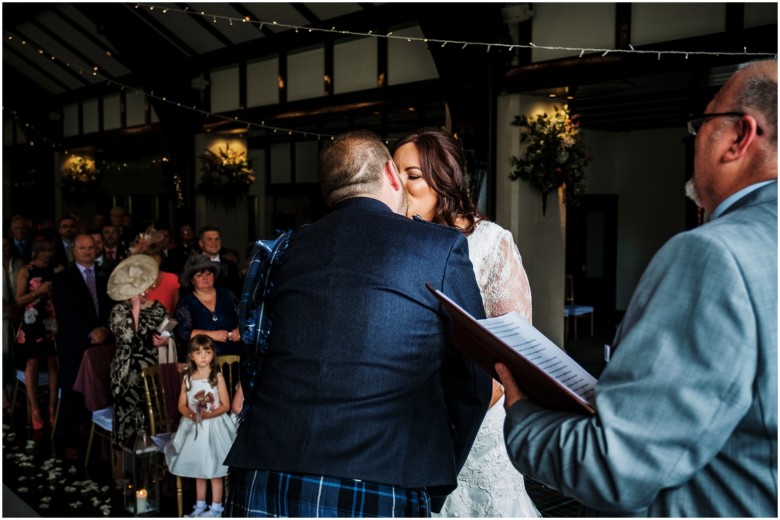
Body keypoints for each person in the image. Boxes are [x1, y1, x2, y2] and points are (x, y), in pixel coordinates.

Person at [496, 59, 777, 517]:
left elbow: (616, 467)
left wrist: (523, 415)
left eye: (703, 122)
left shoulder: (714, 255)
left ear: (739, 137)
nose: (694, 139)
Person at [224, 130, 492, 517]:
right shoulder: (439, 247)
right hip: (384, 473)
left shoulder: (281, 249)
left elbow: (254, 359)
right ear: (390, 173)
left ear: (330, 191)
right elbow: (472, 378)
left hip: (264, 468)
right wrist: (437, 472)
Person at [392, 127, 538, 517]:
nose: (401, 186)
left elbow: (513, 347)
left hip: (476, 421)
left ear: (444, 178)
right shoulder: (398, 243)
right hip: (409, 418)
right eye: (395, 174)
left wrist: (456, 418)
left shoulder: (489, 241)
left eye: (413, 175)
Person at [52, 233, 113, 459]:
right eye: (83, 248)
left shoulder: (104, 274)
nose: (88, 251)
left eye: (91, 247)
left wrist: (104, 329)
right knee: (71, 392)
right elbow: (65, 313)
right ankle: (68, 440)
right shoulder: (62, 279)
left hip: (102, 342)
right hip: (74, 343)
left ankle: (93, 437)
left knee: (100, 390)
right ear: (74, 251)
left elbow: (111, 305)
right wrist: (90, 331)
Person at [165, 334, 236, 518]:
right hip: (195, 427)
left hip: (214, 427)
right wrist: (192, 415)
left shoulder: (216, 376)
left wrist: (208, 414)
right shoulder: (188, 378)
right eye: (198, 352)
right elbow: (181, 404)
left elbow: (226, 405)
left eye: (207, 351)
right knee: (199, 469)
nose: (203, 356)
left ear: (213, 354)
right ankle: (200, 505)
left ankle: (216, 508)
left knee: (214, 470)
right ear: (191, 356)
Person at [107, 255, 168, 456]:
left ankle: (153, 467)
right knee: (128, 421)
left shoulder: (157, 307)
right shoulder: (119, 310)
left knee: (153, 417)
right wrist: (135, 308)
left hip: (153, 371)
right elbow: (126, 336)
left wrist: (165, 340)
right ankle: (124, 467)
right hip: (127, 373)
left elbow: (168, 329)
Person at [13, 239, 60, 430]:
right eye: (43, 250)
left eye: (50, 250)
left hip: (52, 319)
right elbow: (19, 299)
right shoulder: (27, 270)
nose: (47, 254)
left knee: (52, 362)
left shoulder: (58, 269)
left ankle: (52, 407)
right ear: (36, 252)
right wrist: (39, 292)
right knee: (31, 363)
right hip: (32, 320)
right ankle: (35, 409)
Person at [174, 255, 241, 358]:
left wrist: (239, 330)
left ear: (213, 276)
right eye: (199, 275)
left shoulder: (227, 294)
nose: (205, 278)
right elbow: (183, 333)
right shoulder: (186, 302)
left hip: (233, 357)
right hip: (202, 360)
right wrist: (211, 335)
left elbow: (244, 318)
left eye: (208, 274)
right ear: (192, 280)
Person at [196, 225, 243, 297]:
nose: (214, 243)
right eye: (209, 239)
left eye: (217, 239)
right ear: (201, 243)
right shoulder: (193, 265)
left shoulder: (231, 266)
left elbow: (237, 294)